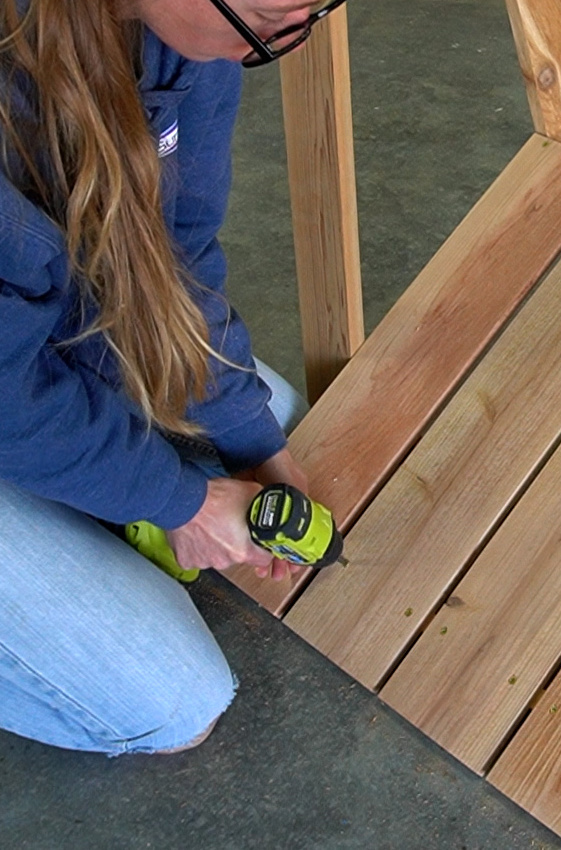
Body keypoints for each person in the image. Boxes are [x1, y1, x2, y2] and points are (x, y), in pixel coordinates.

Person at [0, 0, 345, 755]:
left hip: (21, 337)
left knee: (280, 420)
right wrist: (179, 501)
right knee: (173, 706)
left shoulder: (195, 36)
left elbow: (174, 256)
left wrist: (249, 440)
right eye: (271, 14)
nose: (285, 37)